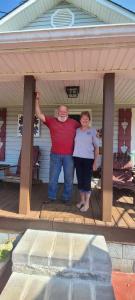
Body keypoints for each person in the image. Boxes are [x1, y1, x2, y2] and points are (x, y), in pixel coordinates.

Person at [35, 92, 80, 204]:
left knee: (69, 179)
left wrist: (97, 133)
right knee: (53, 178)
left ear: (68, 113)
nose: (62, 113)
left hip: (69, 156)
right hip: (55, 155)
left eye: (65, 111)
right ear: (57, 112)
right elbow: (39, 114)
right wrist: (37, 100)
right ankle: (51, 197)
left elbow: (84, 130)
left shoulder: (74, 123)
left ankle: (67, 198)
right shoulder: (51, 121)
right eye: (61, 111)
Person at [73, 111, 99, 212]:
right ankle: (82, 201)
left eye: (86, 119)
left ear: (89, 120)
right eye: (83, 118)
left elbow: (97, 147)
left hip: (88, 160)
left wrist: (95, 162)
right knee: (80, 180)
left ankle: (87, 203)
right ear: (80, 120)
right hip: (77, 158)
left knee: (87, 181)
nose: (85, 120)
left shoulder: (93, 131)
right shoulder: (77, 131)